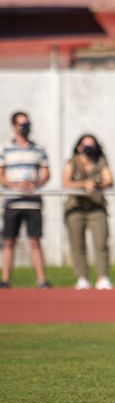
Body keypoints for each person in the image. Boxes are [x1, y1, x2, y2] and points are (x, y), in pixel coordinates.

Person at [1, 110, 50, 289]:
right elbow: (1, 175)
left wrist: (35, 184)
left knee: (34, 241)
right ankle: (5, 280)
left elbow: (46, 173)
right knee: (9, 241)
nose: (25, 127)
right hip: (12, 202)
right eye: (22, 124)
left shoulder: (39, 149)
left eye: (27, 124)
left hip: (32, 202)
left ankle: (42, 280)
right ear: (14, 126)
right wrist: (14, 185)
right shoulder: (5, 148)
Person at [63, 133, 114, 290]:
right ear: (79, 147)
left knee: (101, 244)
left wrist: (97, 184)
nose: (89, 148)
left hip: (97, 208)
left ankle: (102, 278)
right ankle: (82, 278)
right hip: (75, 208)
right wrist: (84, 184)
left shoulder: (101, 161)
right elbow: (66, 182)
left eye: (92, 144)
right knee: (78, 245)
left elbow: (109, 180)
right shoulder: (72, 162)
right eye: (86, 145)